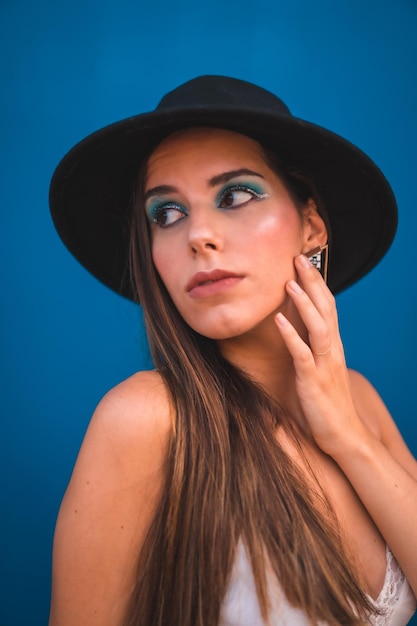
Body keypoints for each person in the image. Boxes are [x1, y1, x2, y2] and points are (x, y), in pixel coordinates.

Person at [48, 75, 417, 626]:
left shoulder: (357, 399)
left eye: (236, 194)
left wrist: (348, 438)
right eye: (166, 213)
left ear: (311, 228)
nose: (199, 234)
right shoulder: (148, 420)